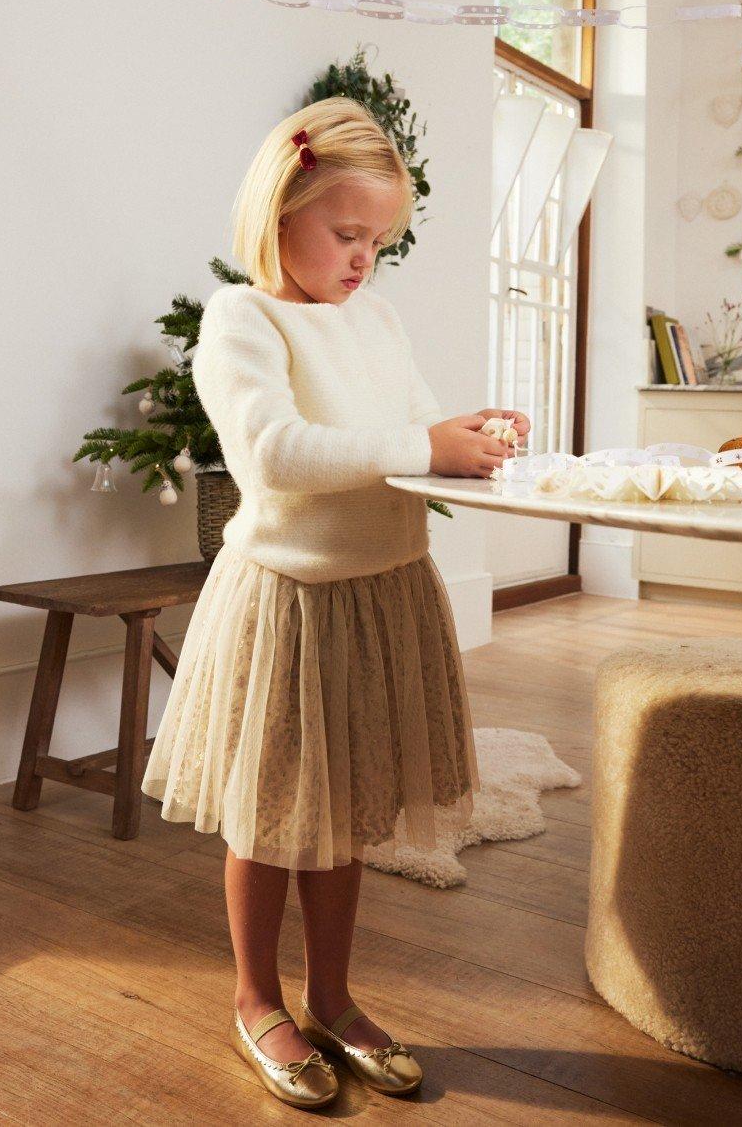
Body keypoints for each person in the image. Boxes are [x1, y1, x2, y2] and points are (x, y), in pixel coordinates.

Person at [141, 95, 530, 1109]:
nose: (363, 257)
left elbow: (399, 428)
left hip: (381, 592)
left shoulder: (376, 316)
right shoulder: (242, 319)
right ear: (279, 212)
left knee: (346, 812)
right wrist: (417, 445)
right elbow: (273, 455)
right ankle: (252, 996)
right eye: (345, 232)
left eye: (377, 240)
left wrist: (459, 431)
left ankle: (333, 994)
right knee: (273, 813)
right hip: (292, 604)